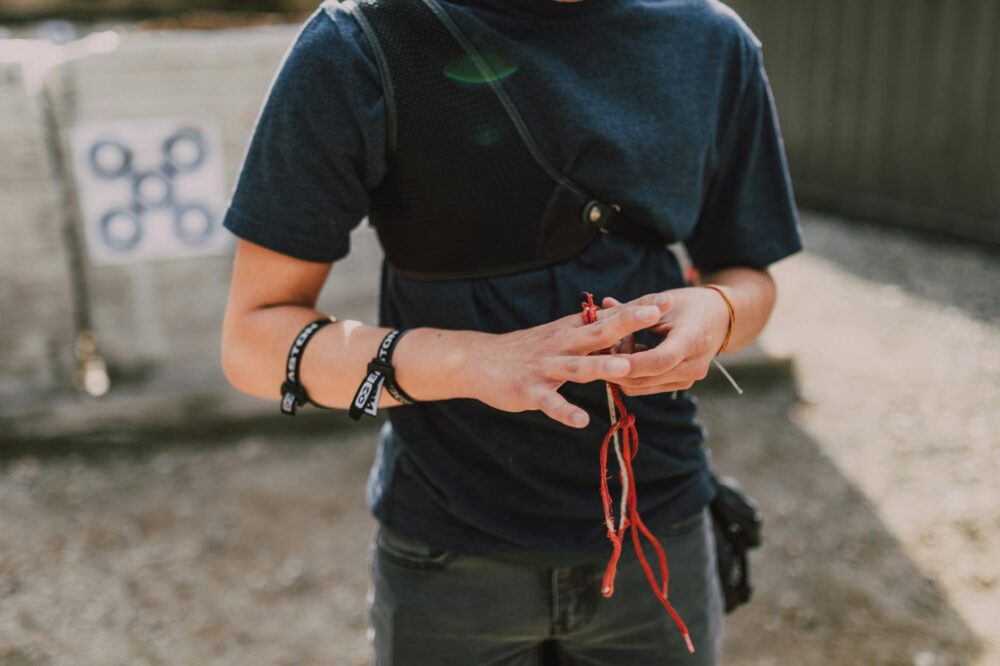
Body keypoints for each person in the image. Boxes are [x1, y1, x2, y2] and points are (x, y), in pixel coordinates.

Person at [220, 0, 803, 662]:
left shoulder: (711, 40)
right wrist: (476, 363)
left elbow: (749, 273)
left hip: (659, 528)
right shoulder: (361, 42)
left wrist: (719, 311)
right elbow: (252, 341)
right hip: (448, 551)